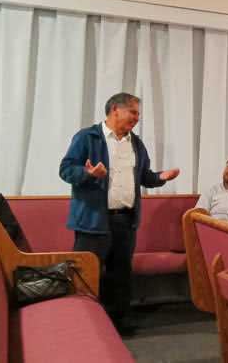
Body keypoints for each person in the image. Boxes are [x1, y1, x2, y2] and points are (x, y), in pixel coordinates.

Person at [59, 93, 179, 336]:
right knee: (85, 274)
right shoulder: (87, 137)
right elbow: (66, 170)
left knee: (121, 274)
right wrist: (88, 173)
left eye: (138, 113)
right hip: (93, 221)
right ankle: (81, 324)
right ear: (115, 109)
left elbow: (145, 177)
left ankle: (118, 321)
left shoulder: (137, 143)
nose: (137, 118)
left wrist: (160, 177)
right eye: (133, 112)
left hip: (126, 220)